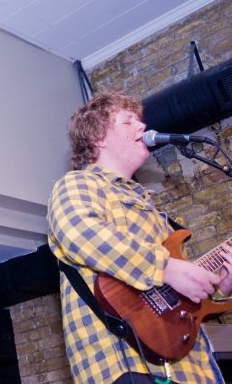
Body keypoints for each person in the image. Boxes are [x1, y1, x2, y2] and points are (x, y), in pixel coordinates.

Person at [47, 92, 232, 384]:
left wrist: (220, 283)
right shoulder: (77, 184)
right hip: (126, 363)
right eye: (128, 121)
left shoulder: (152, 209)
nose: (142, 126)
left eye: (140, 120)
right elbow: (81, 233)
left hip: (193, 368)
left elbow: (179, 292)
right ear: (99, 136)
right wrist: (166, 268)